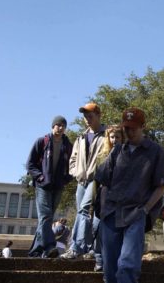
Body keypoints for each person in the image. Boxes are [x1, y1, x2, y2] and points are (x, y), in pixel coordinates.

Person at [95, 107, 164, 283]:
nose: (129, 131)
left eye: (133, 127)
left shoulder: (155, 151)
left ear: (143, 126)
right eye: (126, 127)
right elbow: (103, 181)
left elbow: (161, 186)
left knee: (128, 264)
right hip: (111, 213)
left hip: (136, 213)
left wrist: (145, 210)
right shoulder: (117, 151)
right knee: (109, 267)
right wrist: (103, 210)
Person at [61, 103, 107, 260]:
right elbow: (73, 158)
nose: (87, 119)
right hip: (81, 180)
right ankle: (91, 248)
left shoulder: (107, 134)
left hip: (97, 180)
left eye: (90, 116)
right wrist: (75, 172)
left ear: (98, 115)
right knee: (85, 213)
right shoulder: (81, 137)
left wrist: (100, 173)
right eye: (85, 117)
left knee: (84, 211)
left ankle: (77, 248)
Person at [27, 115, 73, 258]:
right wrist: (40, 177)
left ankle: (35, 251)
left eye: (63, 126)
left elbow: (73, 164)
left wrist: (66, 179)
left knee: (46, 219)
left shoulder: (67, 145)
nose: (60, 128)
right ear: (53, 126)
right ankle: (49, 247)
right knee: (46, 216)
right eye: (58, 125)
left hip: (58, 186)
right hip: (43, 185)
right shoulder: (42, 141)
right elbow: (30, 164)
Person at [89, 124, 125, 272]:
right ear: (108, 138)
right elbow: (95, 181)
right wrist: (93, 202)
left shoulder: (127, 156)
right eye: (112, 137)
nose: (115, 139)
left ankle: (113, 262)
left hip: (118, 201)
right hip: (101, 199)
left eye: (117, 137)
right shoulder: (102, 156)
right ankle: (99, 260)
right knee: (97, 229)